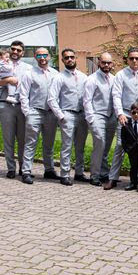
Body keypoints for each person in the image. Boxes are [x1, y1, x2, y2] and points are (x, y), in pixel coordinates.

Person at [106, 47, 138, 190]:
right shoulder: (121, 75)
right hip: (125, 115)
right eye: (132, 58)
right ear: (127, 59)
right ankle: (113, 178)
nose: (134, 61)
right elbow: (116, 95)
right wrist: (119, 114)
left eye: (137, 58)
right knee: (120, 146)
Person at [0, 41, 31, 178]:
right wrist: (7, 80)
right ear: (9, 50)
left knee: (24, 139)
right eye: (13, 49)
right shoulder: (0, 64)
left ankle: (24, 168)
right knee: (8, 138)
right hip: (5, 105)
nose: (15, 52)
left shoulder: (28, 68)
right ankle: (11, 168)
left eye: (19, 50)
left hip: (22, 106)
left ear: (22, 53)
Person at [47, 48, 89, 186]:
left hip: (82, 115)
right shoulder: (59, 77)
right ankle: (65, 174)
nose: (70, 59)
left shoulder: (84, 77)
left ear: (76, 58)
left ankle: (79, 173)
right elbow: (51, 99)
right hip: (68, 114)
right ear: (62, 60)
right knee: (66, 146)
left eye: (72, 57)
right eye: (66, 58)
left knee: (80, 146)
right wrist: (61, 116)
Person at [19, 47, 60, 184]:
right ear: (35, 57)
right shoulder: (29, 73)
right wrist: (27, 112)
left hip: (50, 113)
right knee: (30, 143)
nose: (42, 58)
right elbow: (23, 94)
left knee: (49, 144)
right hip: (35, 112)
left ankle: (49, 170)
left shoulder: (55, 73)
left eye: (45, 55)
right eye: (39, 55)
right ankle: (26, 171)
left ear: (49, 56)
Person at [83, 53, 116, 187]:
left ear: (112, 64)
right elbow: (87, 100)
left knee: (106, 146)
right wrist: (91, 118)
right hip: (97, 115)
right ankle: (95, 175)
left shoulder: (114, 78)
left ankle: (104, 173)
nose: (106, 65)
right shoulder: (92, 79)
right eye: (104, 62)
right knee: (100, 143)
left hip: (111, 116)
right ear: (99, 63)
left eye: (109, 63)